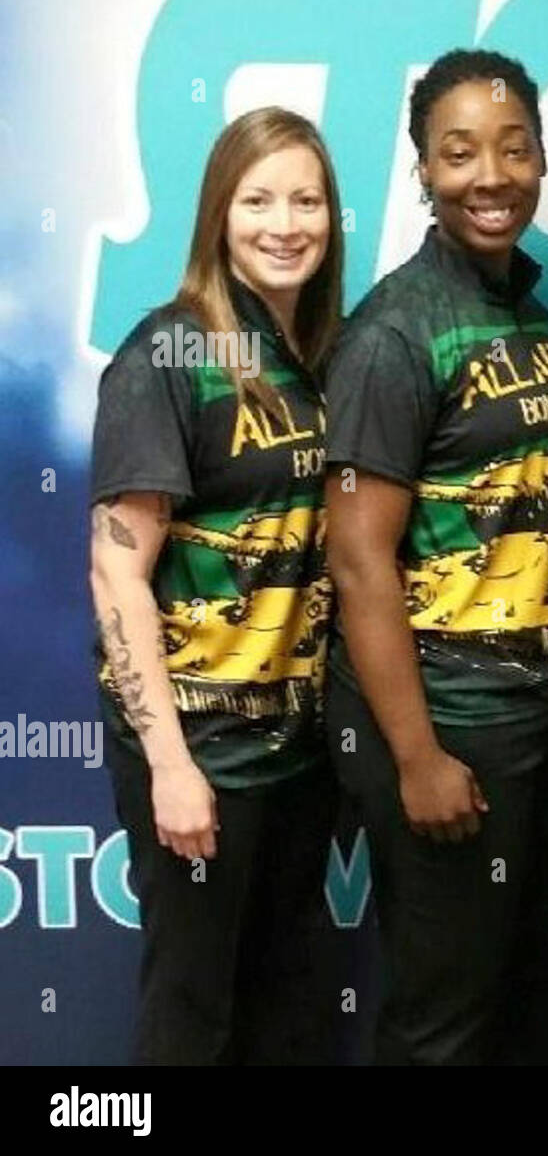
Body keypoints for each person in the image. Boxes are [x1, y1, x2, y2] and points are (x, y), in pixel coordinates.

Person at [324, 48, 548, 1066]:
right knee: (444, 1023)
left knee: (517, 1003)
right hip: (450, 730)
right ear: (423, 173)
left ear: (540, 161)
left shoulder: (527, 313)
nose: (491, 174)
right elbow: (358, 564)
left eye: (513, 147)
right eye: (459, 153)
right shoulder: (397, 332)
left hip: (534, 723)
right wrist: (417, 757)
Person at [89, 106, 342, 1064]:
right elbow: (119, 569)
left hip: (296, 757)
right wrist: (171, 766)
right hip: (202, 760)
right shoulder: (171, 354)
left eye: (307, 200)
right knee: (192, 1026)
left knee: (287, 1017)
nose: (286, 224)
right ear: (216, 217)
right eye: (259, 200)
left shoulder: (321, 357)